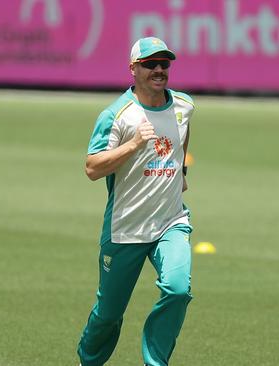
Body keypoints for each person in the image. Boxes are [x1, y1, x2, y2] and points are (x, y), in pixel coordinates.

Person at [77, 36, 195, 366]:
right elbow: (91, 167)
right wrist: (132, 146)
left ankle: (155, 363)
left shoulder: (184, 105)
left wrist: (181, 171)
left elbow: (182, 137)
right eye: (150, 64)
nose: (159, 70)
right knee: (109, 314)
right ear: (133, 69)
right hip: (125, 228)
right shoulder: (117, 115)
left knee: (177, 291)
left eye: (164, 64)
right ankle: (88, 361)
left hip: (170, 222)